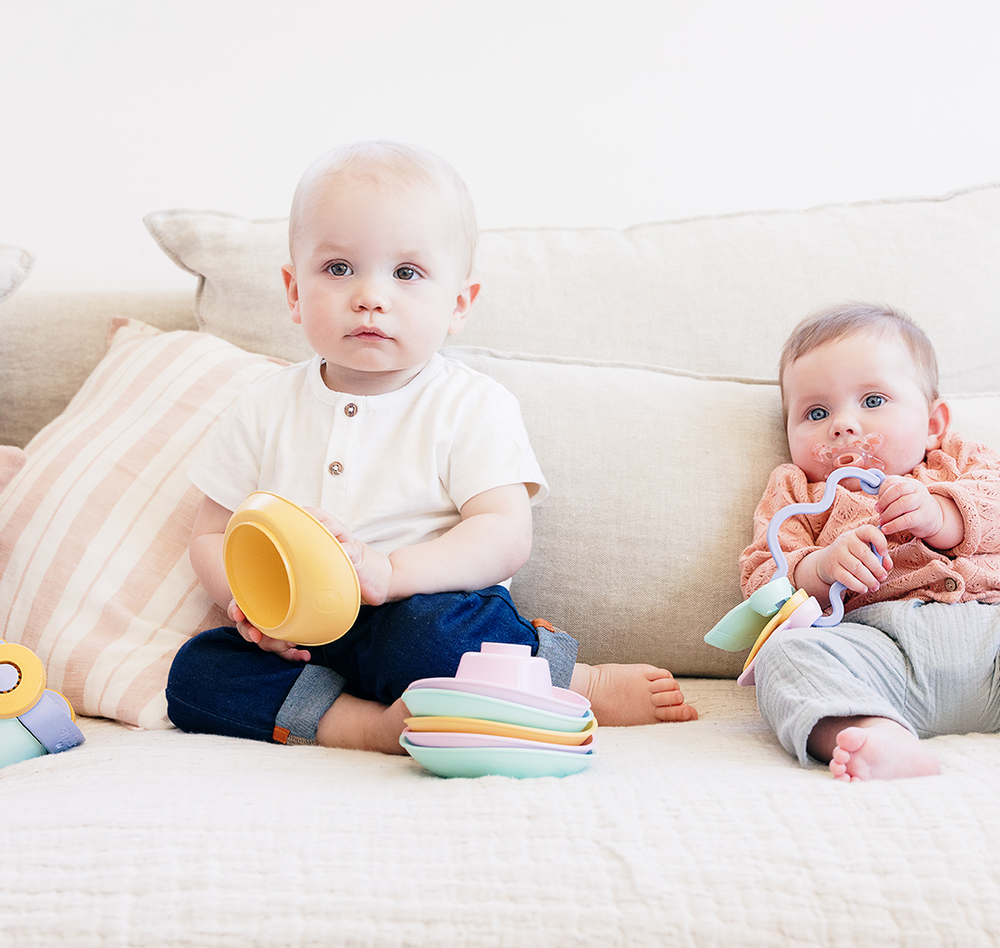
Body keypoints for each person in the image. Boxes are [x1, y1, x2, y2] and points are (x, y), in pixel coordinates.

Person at [166, 140, 696, 754]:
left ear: (459, 304)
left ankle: (567, 680)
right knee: (197, 674)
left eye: (406, 273)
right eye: (338, 268)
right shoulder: (262, 406)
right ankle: (362, 726)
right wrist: (248, 606)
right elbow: (211, 533)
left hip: (416, 608)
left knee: (434, 638)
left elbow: (504, 533)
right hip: (300, 631)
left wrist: (392, 574)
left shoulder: (471, 405)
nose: (370, 295)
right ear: (292, 291)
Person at [741, 302, 1000, 781]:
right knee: (784, 658)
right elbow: (761, 576)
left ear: (932, 424)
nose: (843, 425)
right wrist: (817, 569)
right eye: (816, 412)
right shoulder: (796, 490)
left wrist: (945, 513)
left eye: (873, 401)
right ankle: (873, 731)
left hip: (987, 636)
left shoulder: (959, 458)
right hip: (876, 653)